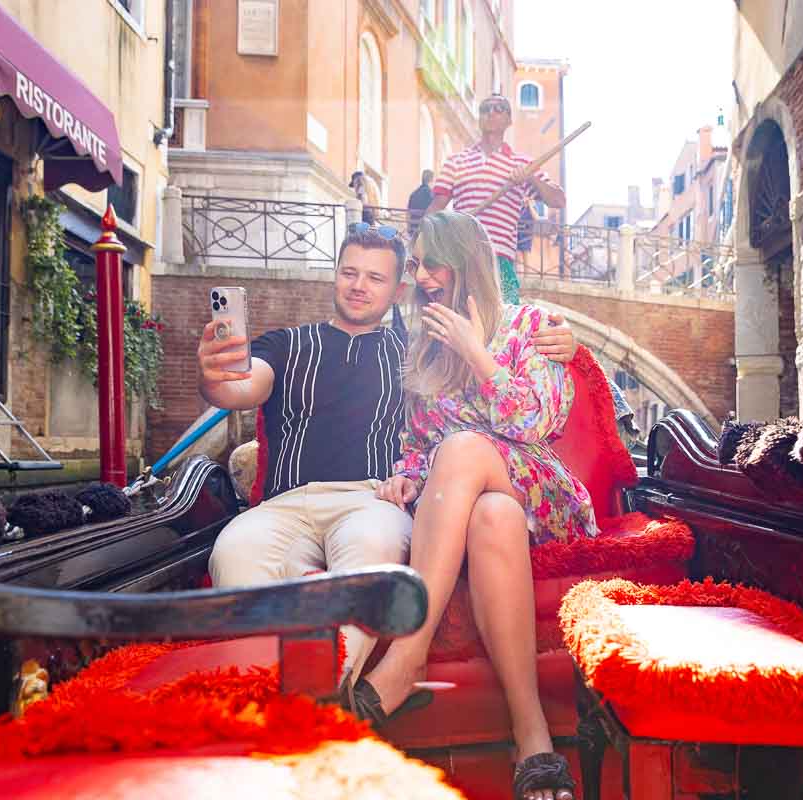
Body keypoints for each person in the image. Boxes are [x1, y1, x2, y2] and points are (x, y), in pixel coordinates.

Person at [197, 222, 578, 691]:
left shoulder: (416, 351)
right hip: (284, 506)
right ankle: (259, 700)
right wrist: (216, 374)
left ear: (398, 290)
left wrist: (567, 344)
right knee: (234, 551)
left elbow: (495, 421)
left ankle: (328, 697)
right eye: (349, 273)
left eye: (375, 278)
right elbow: (240, 385)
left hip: (371, 501)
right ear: (334, 276)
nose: (359, 287)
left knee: (374, 552)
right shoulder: (293, 344)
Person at [355, 211, 590, 800]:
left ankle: (407, 654)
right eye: (416, 267)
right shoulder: (424, 352)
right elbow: (416, 445)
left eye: (432, 263)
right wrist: (408, 480)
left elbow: (538, 423)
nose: (422, 277)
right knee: (492, 517)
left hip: (540, 489)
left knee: (464, 450)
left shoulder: (533, 325)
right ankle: (532, 735)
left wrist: (477, 353)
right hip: (481, 504)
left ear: (466, 263)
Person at [427, 94, 566, 304]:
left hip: (500, 259)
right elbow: (436, 209)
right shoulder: (456, 162)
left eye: (499, 108)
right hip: (462, 256)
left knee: (503, 327)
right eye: (485, 109)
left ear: (509, 120)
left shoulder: (523, 163)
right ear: (479, 118)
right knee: (456, 322)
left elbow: (558, 200)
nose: (491, 112)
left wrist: (531, 178)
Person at [406, 169, 434, 238]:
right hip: (424, 231)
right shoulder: (431, 194)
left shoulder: (413, 194)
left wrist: (408, 228)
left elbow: (408, 212)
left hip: (413, 230)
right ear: (431, 179)